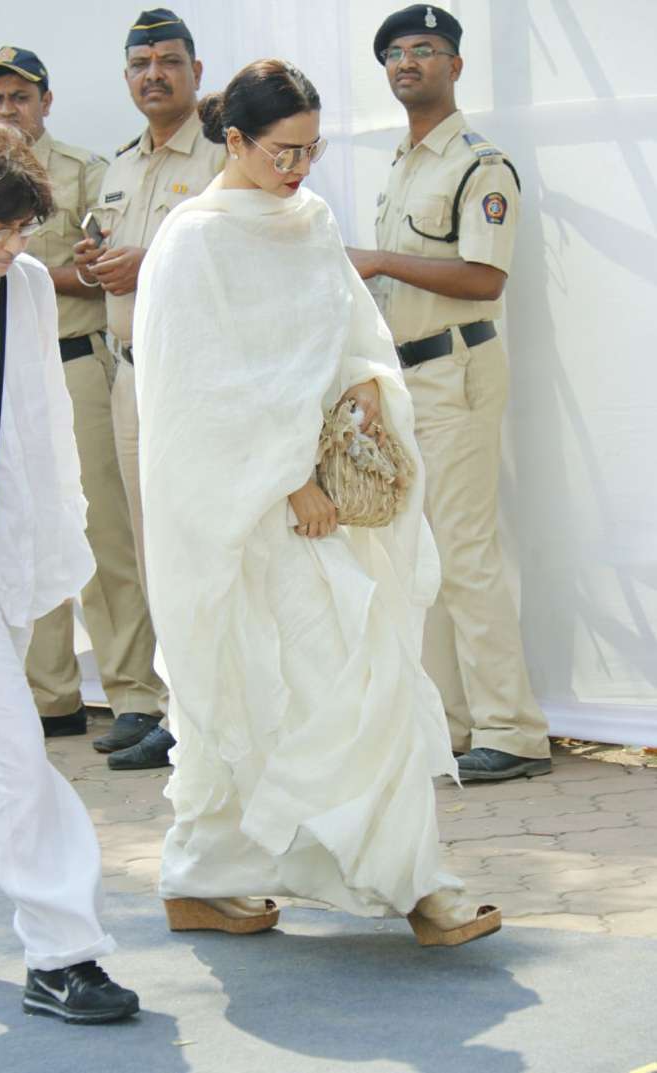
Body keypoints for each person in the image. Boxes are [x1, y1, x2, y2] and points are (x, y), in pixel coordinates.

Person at [133, 59, 501, 945]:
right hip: (246, 510)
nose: (298, 169)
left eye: (311, 150)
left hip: (324, 506)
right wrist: (287, 479)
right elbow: (195, 387)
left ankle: (409, 880)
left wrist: (368, 383)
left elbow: (345, 330)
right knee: (244, 686)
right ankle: (205, 877)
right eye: (281, 152)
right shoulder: (192, 240)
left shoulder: (310, 221)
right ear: (233, 140)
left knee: (359, 675)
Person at [0, 124, 138, 1022]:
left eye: (21, 230)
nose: (12, 248)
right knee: (16, 748)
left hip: (6, 540)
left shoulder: (22, 287)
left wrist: (57, 545)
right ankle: (62, 952)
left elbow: (44, 423)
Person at [347, 4, 552, 782]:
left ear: (455, 66)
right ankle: (453, 725)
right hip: (407, 376)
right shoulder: (403, 162)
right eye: (395, 53)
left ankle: (512, 727)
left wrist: (378, 262)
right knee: (419, 556)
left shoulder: (478, 163)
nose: (407, 63)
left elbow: (484, 276)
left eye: (424, 50)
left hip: (458, 369)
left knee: (465, 551)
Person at [0, 45, 167, 750]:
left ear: (45, 102)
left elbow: (103, 276)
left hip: (71, 364)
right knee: (13, 535)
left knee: (100, 534)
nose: (7, 110)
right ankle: (48, 695)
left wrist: (8, 266)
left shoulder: (86, 173)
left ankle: (133, 694)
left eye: (20, 97)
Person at [74, 8, 225, 769]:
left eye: (168, 61)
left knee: (201, 544)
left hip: (196, 377)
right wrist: (96, 258)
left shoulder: (225, 156)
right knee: (149, 548)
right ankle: (167, 703)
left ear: (196, 71)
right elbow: (110, 256)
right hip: (131, 377)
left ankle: (209, 711)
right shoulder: (121, 165)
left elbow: (241, 257)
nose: (153, 75)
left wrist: (151, 261)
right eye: (139, 64)